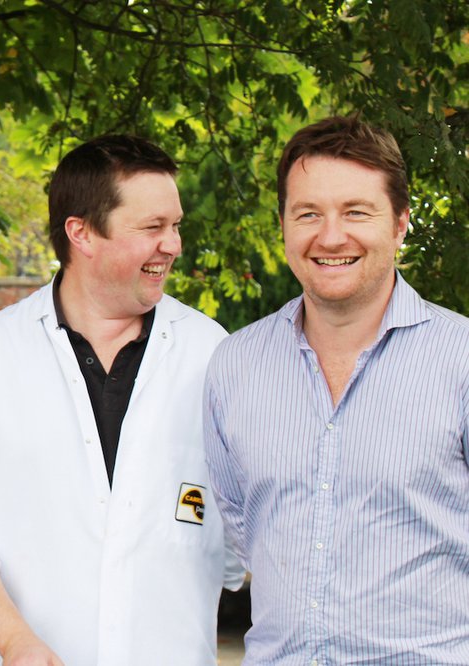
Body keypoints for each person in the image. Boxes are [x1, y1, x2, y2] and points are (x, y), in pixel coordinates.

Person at [0, 134, 245, 665]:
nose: (174, 245)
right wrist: (14, 641)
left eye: (176, 225)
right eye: (153, 227)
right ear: (82, 233)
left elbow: (240, 526)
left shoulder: (213, 353)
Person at [204, 116, 469, 664]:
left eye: (356, 211)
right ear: (282, 225)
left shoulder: (461, 359)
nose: (330, 236)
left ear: (399, 224)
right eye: (308, 214)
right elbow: (239, 524)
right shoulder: (235, 366)